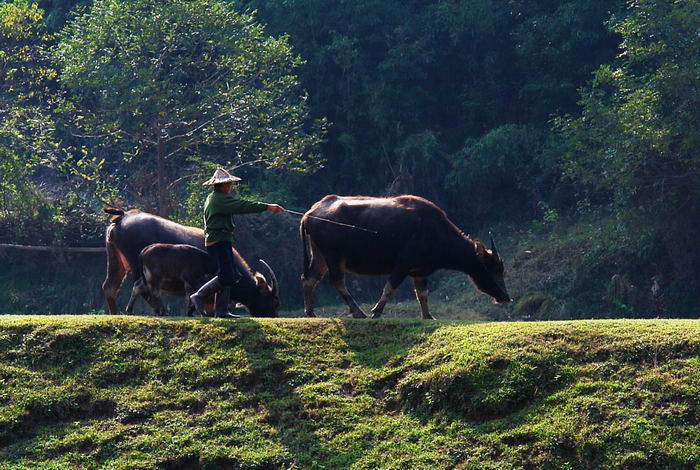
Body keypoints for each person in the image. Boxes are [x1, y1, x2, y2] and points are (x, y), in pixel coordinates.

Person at [190, 168, 285, 318]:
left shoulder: (213, 197)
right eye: (228, 184)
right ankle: (199, 296)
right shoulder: (219, 199)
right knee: (227, 275)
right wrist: (267, 207)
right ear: (222, 186)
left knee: (231, 275)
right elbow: (243, 206)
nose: (230, 187)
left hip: (222, 240)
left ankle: (221, 310)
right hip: (218, 241)